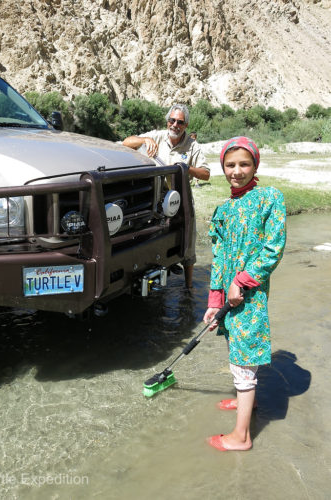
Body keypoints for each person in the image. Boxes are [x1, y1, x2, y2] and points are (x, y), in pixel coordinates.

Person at [203, 136, 286, 451]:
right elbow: (220, 258)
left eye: (244, 164)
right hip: (228, 294)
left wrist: (244, 280)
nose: (236, 171)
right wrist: (214, 300)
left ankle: (241, 437)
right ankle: (243, 400)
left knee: (244, 355)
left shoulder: (269, 197)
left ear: (255, 165)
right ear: (222, 167)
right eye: (230, 165)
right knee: (235, 344)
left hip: (250, 293)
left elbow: (273, 247)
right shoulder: (224, 208)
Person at [122, 104, 210, 288]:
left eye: (180, 122)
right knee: (154, 239)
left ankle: (188, 287)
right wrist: (145, 140)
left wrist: (186, 168)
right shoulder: (157, 136)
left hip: (182, 200)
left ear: (186, 125)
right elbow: (126, 142)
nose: (175, 125)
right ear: (167, 121)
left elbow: (205, 174)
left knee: (187, 241)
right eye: (172, 120)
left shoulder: (193, 146)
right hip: (155, 201)